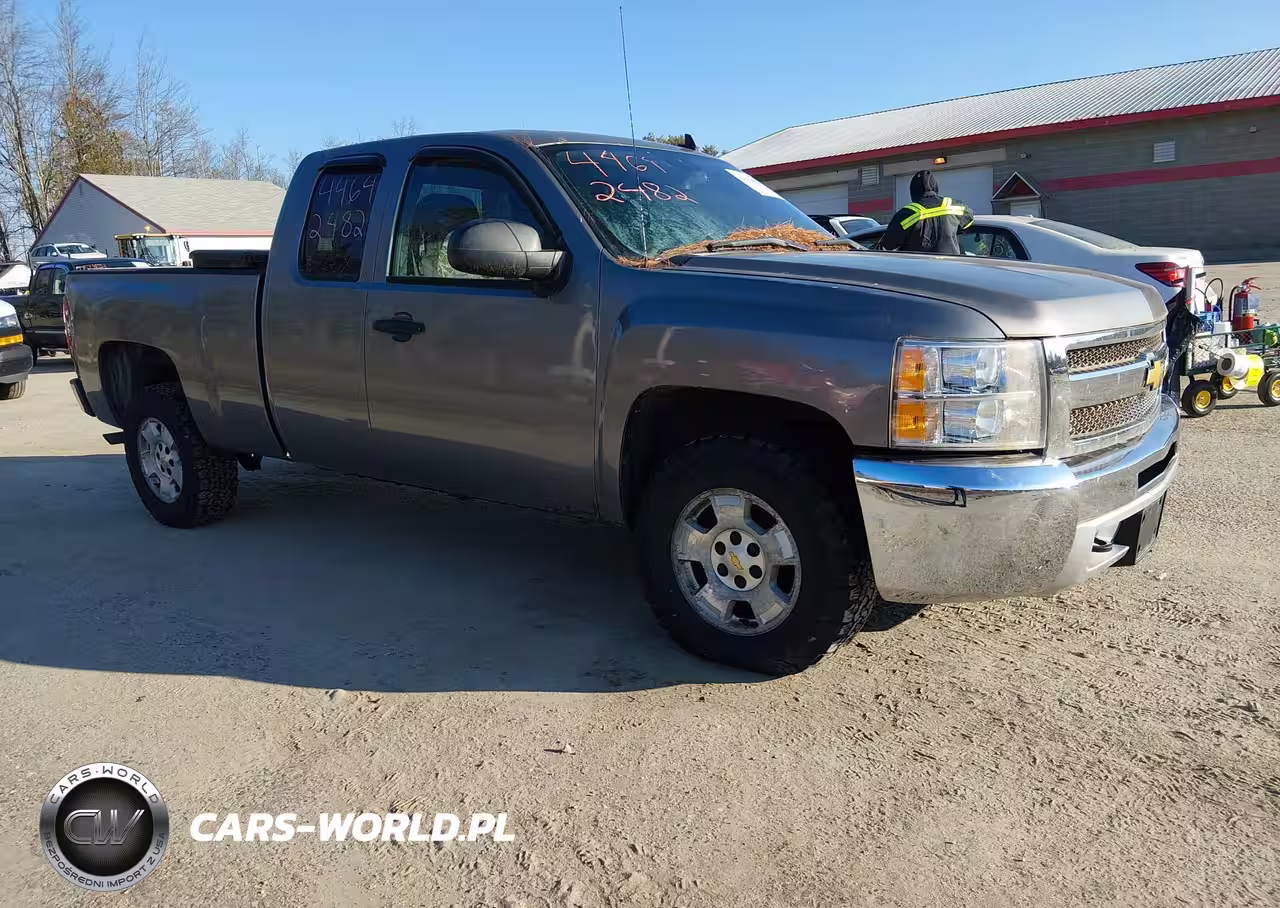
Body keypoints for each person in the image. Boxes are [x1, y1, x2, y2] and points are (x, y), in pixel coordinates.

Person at [879, 171, 974, 255]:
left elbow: (887, 246)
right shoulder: (954, 206)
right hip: (952, 266)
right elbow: (969, 220)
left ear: (913, 191)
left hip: (919, 268)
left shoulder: (906, 214)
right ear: (935, 187)